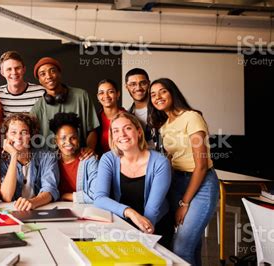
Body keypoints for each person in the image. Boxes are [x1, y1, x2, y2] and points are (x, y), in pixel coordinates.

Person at [148, 78, 219, 265]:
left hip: (201, 183)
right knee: (192, 246)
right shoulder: (164, 126)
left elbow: (201, 165)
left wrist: (184, 202)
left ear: (172, 92)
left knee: (181, 248)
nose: (158, 97)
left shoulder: (192, 117)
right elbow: (173, 158)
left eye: (162, 91)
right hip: (177, 182)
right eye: (153, 95)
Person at [94, 112, 173, 248]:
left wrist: (139, 234)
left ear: (139, 132)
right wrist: (130, 212)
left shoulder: (160, 162)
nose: (122, 134)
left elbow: (152, 210)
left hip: (154, 226)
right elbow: (99, 198)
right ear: (112, 138)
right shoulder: (108, 159)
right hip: (122, 224)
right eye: (116, 131)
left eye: (128, 128)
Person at [30, 57, 99, 160]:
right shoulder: (37, 109)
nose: (48, 76)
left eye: (52, 71)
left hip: (81, 159)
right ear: (40, 81)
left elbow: (93, 129)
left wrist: (89, 149)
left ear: (59, 73)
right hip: (51, 163)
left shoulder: (81, 96)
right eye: (43, 74)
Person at [0, 113, 60, 211]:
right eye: (13, 132)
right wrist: (14, 156)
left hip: (41, 209)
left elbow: (50, 190)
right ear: (6, 135)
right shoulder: (2, 161)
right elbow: (6, 197)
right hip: (13, 211)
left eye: (23, 132)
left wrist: (33, 202)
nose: (18, 137)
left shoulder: (47, 157)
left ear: (31, 135)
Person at [49, 112, 98, 203]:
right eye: (63, 138)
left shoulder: (90, 160)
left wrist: (65, 196)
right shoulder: (49, 161)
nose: (68, 142)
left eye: (73, 138)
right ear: (56, 141)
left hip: (84, 210)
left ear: (78, 139)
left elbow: (97, 195)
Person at [0, 51, 45, 117]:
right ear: (2, 72)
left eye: (17, 68)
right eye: (9, 69)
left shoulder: (40, 92)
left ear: (24, 69)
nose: (14, 72)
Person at [124, 68, 160, 149]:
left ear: (149, 84)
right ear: (126, 87)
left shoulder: (161, 110)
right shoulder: (126, 116)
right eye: (133, 84)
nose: (138, 88)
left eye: (143, 83)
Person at [95, 79, 126, 155]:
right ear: (98, 97)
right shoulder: (95, 120)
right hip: (102, 162)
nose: (106, 96)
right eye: (101, 93)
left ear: (118, 94)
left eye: (110, 92)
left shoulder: (129, 118)